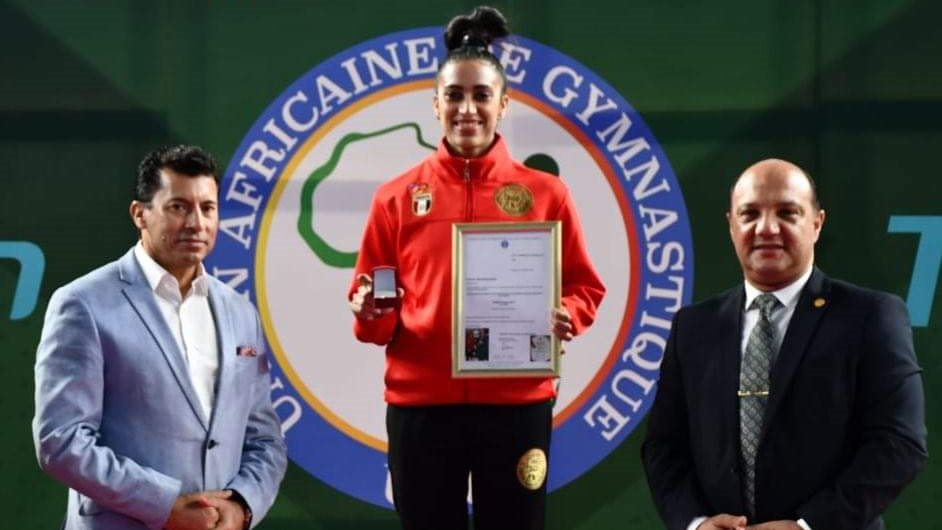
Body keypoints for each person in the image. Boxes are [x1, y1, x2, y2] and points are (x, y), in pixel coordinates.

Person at [347, 6, 605, 530]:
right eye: (455, 96)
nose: (468, 109)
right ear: (435, 104)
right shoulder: (395, 198)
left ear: (504, 104)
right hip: (421, 406)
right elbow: (374, 317)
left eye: (482, 95)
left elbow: (585, 287)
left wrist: (568, 315)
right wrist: (370, 310)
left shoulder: (546, 193)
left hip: (516, 405)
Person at [641, 159, 928, 530]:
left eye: (787, 213)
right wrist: (696, 524)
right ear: (731, 225)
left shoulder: (871, 316)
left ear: (817, 224)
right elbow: (663, 447)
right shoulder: (693, 327)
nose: (766, 228)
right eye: (749, 214)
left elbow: (900, 444)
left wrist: (807, 526)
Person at [33, 145, 287, 530]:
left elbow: (265, 440)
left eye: (208, 208)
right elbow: (61, 441)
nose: (196, 223)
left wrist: (241, 506)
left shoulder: (240, 313)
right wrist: (165, 506)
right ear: (140, 214)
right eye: (178, 207)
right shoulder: (82, 304)